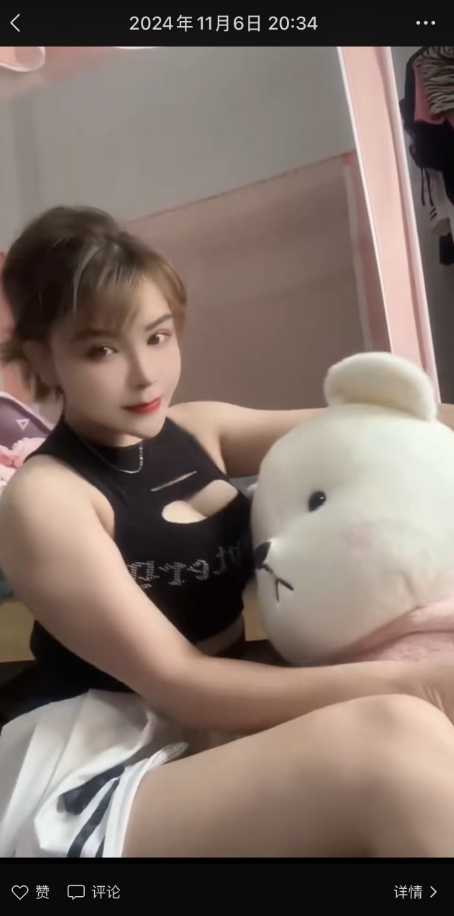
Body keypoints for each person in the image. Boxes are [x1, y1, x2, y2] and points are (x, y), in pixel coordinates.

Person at [2, 207, 454, 859]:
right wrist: (422, 682)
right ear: (43, 357)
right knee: (392, 739)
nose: (145, 373)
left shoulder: (200, 428)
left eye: (158, 336)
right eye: (102, 350)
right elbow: (181, 682)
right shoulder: (45, 499)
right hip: (100, 754)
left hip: (218, 714)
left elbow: (381, 426)